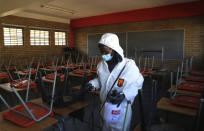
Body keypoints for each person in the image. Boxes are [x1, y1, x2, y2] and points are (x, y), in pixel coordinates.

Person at [85, 33, 144, 131]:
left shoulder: (128, 66)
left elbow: (138, 84)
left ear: (114, 49)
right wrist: (92, 84)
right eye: (101, 52)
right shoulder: (101, 65)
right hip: (104, 106)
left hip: (120, 109)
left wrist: (124, 95)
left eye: (105, 52)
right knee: (104, 127)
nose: (103, 55)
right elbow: (101, 81)